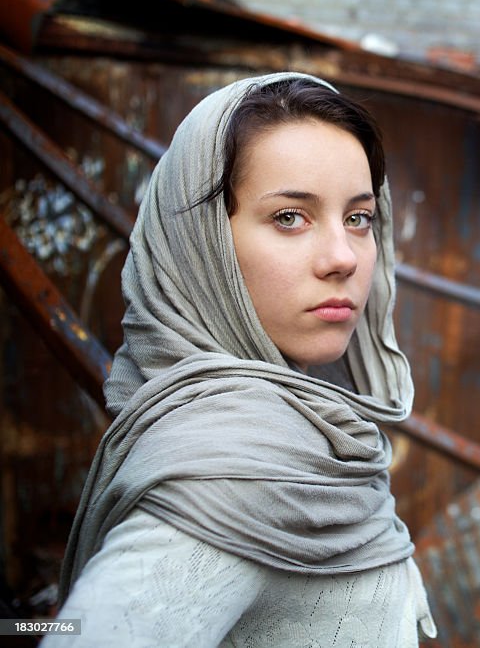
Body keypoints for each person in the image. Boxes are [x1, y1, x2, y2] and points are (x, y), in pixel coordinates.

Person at [44, 72, 436, 646]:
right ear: (202, 244)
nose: (342, 257)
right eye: (289, 217)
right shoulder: (235, 469)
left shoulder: (304, 431)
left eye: (358, 218)